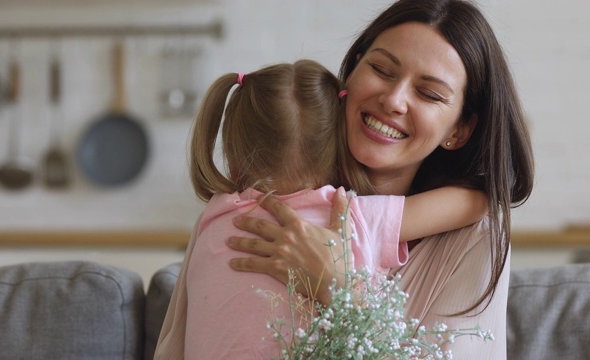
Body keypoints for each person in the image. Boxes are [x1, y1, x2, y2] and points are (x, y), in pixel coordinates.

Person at [223, 0, 534, 359]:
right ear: (353, 70)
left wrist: (341, 292)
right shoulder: (259, 202)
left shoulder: (474, 240)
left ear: (459, 130)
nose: (394, 100)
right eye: (382, 70)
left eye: (429, 94)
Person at [176, 59, 487, 359]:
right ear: (340, 153)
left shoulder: (215, 216)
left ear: (232, 156)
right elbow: (474, 203)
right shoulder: (346, 216)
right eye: (381, 69)